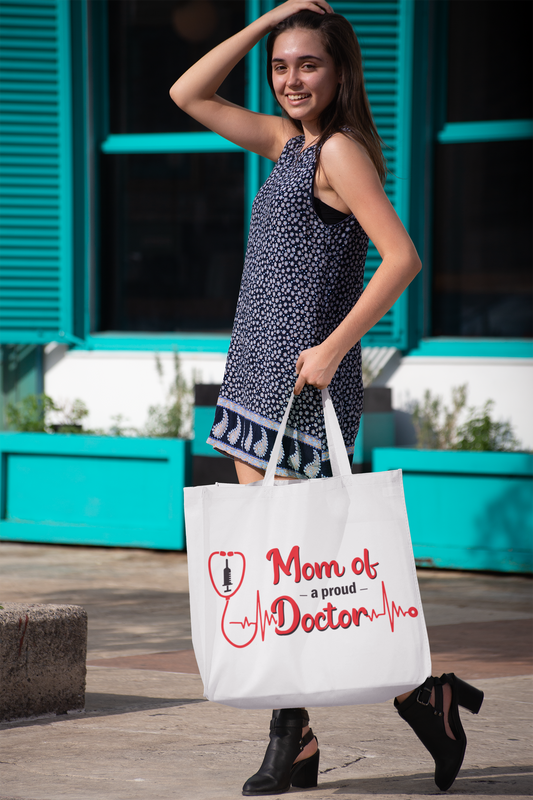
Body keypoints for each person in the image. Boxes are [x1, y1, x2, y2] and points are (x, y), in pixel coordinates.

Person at [170, 1, 484, 795]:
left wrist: (335, 348)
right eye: (280, 67)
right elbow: (188, 94)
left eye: (307, 63)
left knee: (301, 569)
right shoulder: (287, 145)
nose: (291, 79)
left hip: (305, 383)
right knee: (286, 572)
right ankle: (390, 707)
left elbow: (401, 258)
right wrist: (269, 18)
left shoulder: (339, 151)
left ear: (340, 71)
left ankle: (314, 731)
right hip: (253, 377)